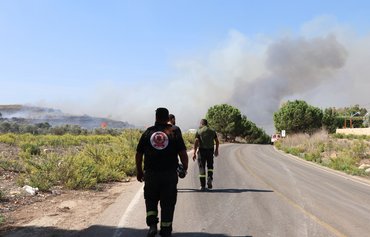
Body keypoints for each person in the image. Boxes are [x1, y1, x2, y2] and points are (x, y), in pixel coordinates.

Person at [136, 108, 189, 237]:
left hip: (151, 174)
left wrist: (139, 171)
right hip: (169, 175)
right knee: (168, 203)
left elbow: (138, 154)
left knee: (150, 200)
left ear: (156, 117)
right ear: (167, 118)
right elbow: (182, 153)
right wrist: (185, 168)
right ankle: (165, 230)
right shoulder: (174, 131)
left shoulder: (148, 132)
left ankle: (152, 225)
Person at [192, 119, 219, 191]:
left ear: (201, 124)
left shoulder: (199, 131)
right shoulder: (212, 131)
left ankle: (202, 185)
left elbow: (196, 141)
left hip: (202, 151)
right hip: (210, 151)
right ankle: (210, 177)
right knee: (210, 166)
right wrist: (216, 150)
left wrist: (194, 152)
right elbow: (217, 141)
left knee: (202, 167)